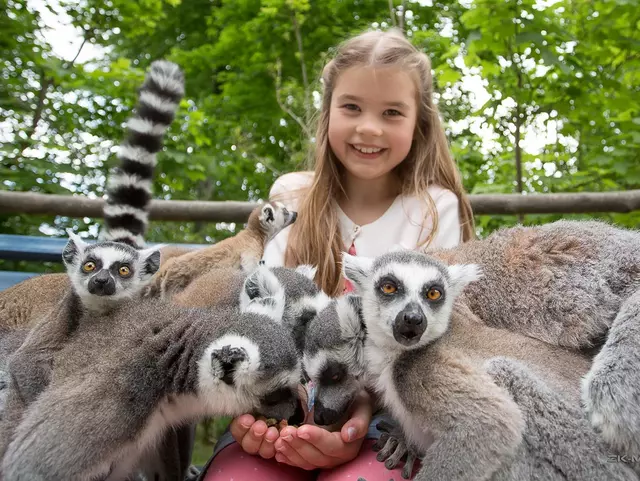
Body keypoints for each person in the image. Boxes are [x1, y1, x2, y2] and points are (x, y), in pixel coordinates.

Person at [200, 28, 475, 481]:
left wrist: (360, 410)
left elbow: (433, 344)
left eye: (392, 112)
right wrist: (266, 412)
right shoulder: (293, 197)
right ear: (327, 111)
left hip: (393, 414)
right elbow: (264, 319)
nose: (369, 127)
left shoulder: (433, 209)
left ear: (418, 123)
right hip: (287, 398)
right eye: (352, 107)